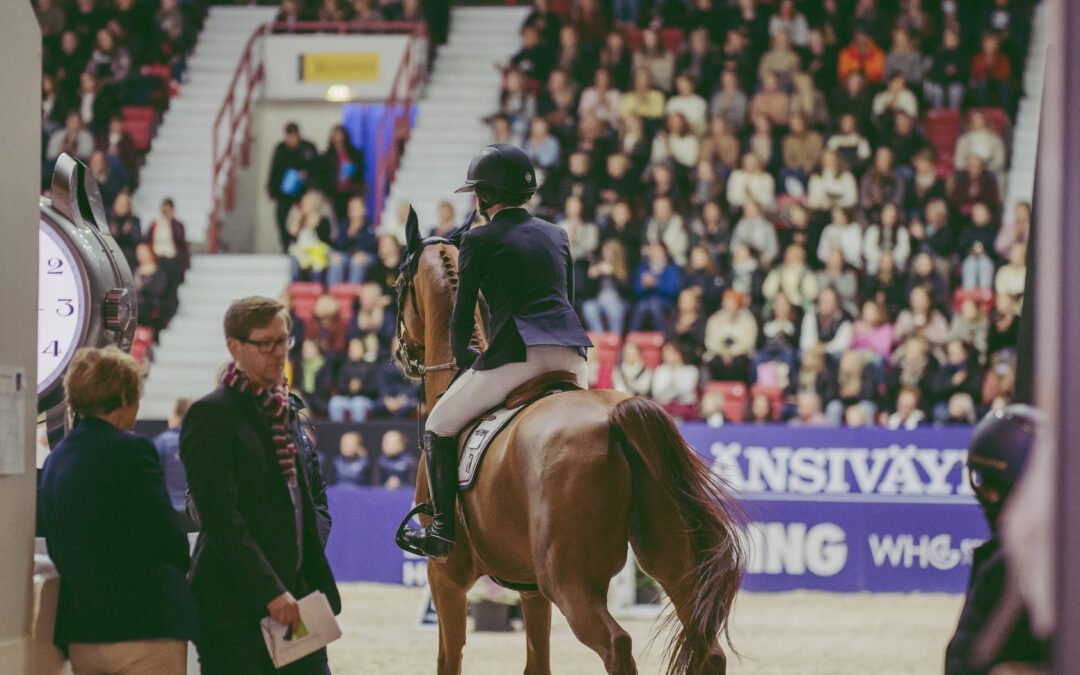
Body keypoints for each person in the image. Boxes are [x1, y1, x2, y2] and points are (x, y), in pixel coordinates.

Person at [396, 144, 592, 560]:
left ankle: (442, 532)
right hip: (573, 355)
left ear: (485, 196)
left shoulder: (479, 239)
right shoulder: (557, 234)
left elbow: (462, 318)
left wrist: (469, 363)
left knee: (440, 424)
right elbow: (567, 299)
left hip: (518, 356)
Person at [180, 297, 340, 674]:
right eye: (265, 343)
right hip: (234, 605)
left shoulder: (281, 411)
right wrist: (270, 591)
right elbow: (221, 518)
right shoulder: (210, 416)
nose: (277, 353)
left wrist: (308, 580)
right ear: (234, 347)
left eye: (283, 341)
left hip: (295, 596)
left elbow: (302, 500)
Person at [39, 347, 199, 674]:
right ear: (125, 396)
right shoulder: (131, 450)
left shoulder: (56, 459)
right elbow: (166, 534)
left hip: (83, 628)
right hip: (142, 623)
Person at [946, 405, 1051, 673]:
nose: (987, 499)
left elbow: (966, 663)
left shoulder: (1001, 572)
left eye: (994, 486)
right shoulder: (997, 564)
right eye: (982, 484)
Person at [267, 122, 319, 252]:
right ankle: (287, 245)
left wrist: (307, 175)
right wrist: (271, 190)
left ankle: (306, 244)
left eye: (294, 136)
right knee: (282, 217)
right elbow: (274, 170)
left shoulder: (308, 148)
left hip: (304, 192)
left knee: (307, 217)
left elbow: (318, 167)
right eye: (289, 137)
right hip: (285, 193)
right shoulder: (280, 149)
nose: (292, 139)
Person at [153, 398, 195, 531]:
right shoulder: (200, 443)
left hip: (170, 515)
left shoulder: (162, 442)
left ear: (177, 415)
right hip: (195, 516)